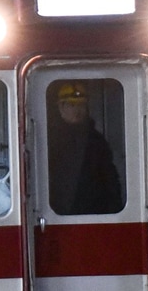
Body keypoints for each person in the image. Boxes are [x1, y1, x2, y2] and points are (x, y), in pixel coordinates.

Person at [46, 82, 123, 215]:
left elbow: (110, 180)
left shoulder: (97, 142)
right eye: (72, 105)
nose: (78, 110)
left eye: (81, 105)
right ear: (61, 107)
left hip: (93, 215)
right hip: (57, 216)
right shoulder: (48, 141)